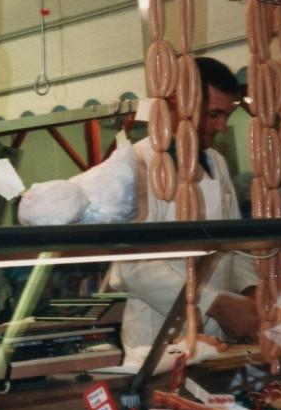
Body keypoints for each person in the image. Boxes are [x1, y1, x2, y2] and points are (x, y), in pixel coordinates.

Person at [109, 57, 261, 357]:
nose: (221, 126)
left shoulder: (216, 162)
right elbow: (133, 266)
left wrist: (251, 291)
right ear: (179, 101)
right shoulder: (137, 162)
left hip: (218, 337)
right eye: (213, 114)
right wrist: (215, 304)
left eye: (226, 115)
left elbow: (235, 244)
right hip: (158, 340)